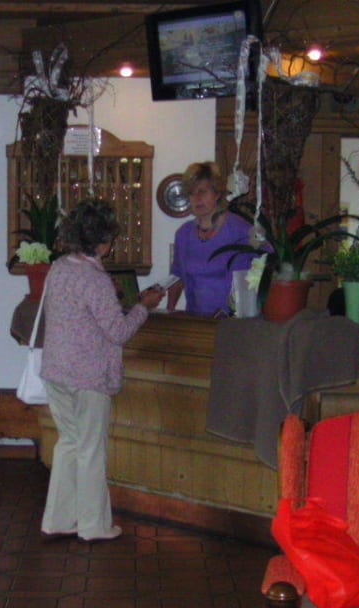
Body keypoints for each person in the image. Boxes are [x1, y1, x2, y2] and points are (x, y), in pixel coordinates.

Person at [39, 199, 166, 542]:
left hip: (56, 370)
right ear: (104, 241)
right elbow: (119, 332)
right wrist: (143, 307)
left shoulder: (59, 268)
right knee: (91, 450)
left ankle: (58, 519)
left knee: (69, 444)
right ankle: (94, 526)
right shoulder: (95, 279)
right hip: (88, 376)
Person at [168, 161, 255, 316]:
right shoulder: (183, 234)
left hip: (233, 322)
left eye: (202, 191)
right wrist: (170, 311)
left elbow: (267, 266)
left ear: (217, 194)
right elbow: (177, 276)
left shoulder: (240, 229)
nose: (197, 198)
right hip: (196, 321)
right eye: (192, 193)